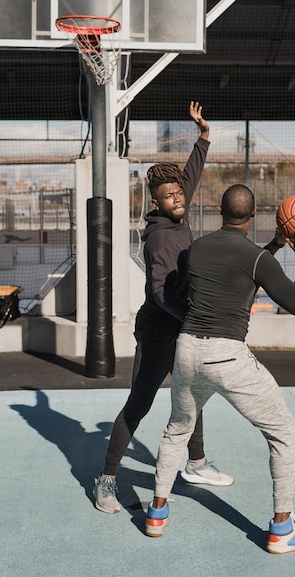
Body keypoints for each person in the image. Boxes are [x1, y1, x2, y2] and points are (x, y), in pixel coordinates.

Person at [146, 184, 295, 554]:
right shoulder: (257, 259)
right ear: (254, 213)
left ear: (219, 211)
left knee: (176, 430)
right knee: (284, 431)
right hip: (227, 356)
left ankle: (156, 514)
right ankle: (283, 529)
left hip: (187, 348)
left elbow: (234, 270)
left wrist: (272, 246)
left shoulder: (196, 249)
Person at [93, 102, 233, 514]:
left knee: (193, 395)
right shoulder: (161, 239)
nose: (178, 197)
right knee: (140, 403)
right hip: (159, 329)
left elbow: (188, 176)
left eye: (178, 193)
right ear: (156, 203)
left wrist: (203, 137)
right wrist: (192, 317)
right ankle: (106, 479)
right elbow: (158, 291)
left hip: (183, 326)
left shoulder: (177, 202)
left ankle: (196, 463)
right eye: (169, 195)